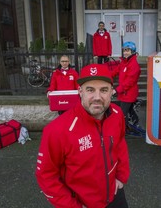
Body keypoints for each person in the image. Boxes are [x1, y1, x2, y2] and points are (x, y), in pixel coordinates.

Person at [36, 64, 130, 208]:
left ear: (112, 91)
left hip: (115, 194)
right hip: (83, 203)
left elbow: (120, 144)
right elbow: (46, 176)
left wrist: (121, 177)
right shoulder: (57, 130)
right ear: (80, 91)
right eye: (90, 90)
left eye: (104, 90)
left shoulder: (117, 115)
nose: (97, 97)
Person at [111, 41, 141, 128]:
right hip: (124, 93)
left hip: (128, 93)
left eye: (127, 50)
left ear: (132, 51)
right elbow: (115, 71)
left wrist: (116, 90)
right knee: (129, 111)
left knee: (123, 113)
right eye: (124, 50)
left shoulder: (134, 65)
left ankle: (124, 130)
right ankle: (134, 124)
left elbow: (129, 82)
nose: (125, 52)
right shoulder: (124, 62)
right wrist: (105, 76)